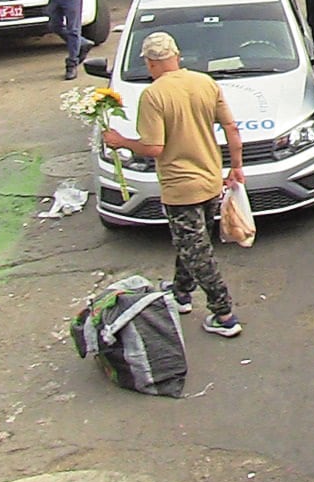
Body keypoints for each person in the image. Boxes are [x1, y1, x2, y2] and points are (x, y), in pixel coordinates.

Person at [101, 31, 247, 338]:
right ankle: (181, 292)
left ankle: (224, 313)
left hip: (181, 187)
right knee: (191, 241)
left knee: (197, 250)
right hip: (210, 179)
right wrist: (236, 167)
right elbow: (231, 127)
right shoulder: (204, 83)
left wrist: (120, 141)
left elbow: (154, 147)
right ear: (177, 56)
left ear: (151, 63)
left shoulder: (153, 95)